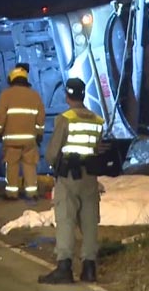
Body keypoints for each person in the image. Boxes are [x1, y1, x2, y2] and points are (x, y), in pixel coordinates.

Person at [39, 78, 104, 284]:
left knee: (66, 219)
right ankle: (89, 268)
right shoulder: (96, 120)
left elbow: (52, 153)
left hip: (68, 176)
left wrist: (53, 165)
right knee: (90, 220)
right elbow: (97, 148)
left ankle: (64, 267)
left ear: (67, 96)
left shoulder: (65, 118)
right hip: (90, 176)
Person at [0, 67, 45, 200]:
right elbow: (40, 118)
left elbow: (0, 117)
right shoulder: (35, 95)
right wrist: (39, 134)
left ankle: (12, 193)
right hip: (29, 140)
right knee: (30, 166)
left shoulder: (6, 95)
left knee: (12, 166)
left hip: (11, 140)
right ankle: (32, 193)